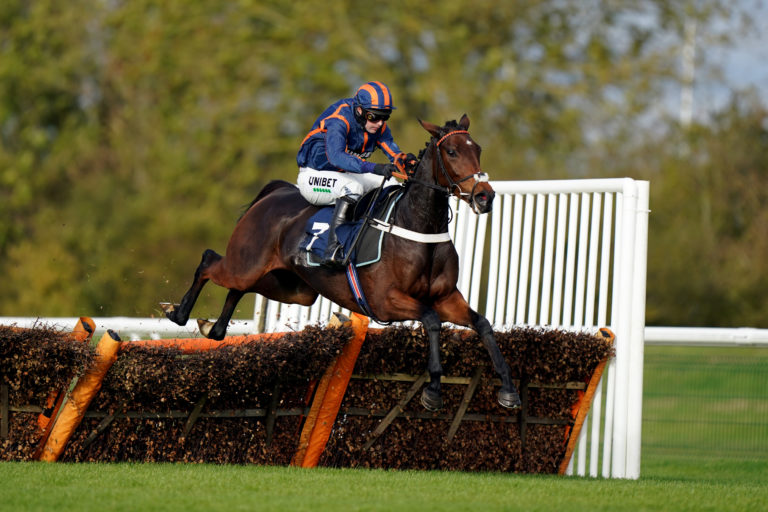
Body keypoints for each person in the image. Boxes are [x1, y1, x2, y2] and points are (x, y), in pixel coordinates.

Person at [297, 81, 415, 266]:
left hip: (343, 174)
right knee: (353, 187)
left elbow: (393, 153)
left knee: (392, 184)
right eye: (374, 117)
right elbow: (336, 157)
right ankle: (333, 248)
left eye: (385, 117)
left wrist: (407, 162)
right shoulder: (339, 120)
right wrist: (373, 167)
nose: (379, 123)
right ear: (359, 110)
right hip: (313, 176)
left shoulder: (378, 126)